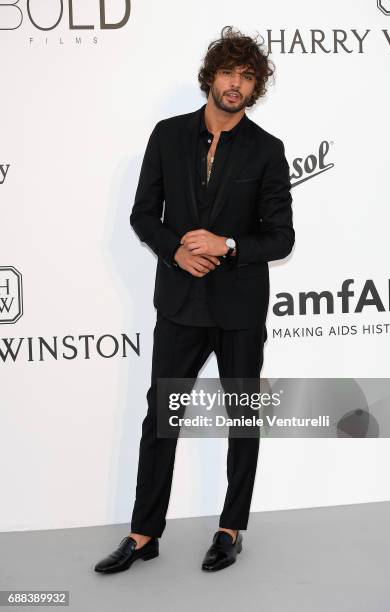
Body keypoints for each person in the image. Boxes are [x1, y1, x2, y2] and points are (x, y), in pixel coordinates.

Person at [94, 25, 294, 574]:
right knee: (161, 418)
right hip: (180, 301)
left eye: (247, 77)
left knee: (242, 418)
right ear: (211, 77)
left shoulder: (268, 150)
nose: (236, 84)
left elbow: (281, 239)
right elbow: (142, 215)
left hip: (239, 309)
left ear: (255, 88)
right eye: (229, 73)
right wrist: (175, 252)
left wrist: (226, 245)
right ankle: (143, 534)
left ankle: (230, 530)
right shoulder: (167, 136)